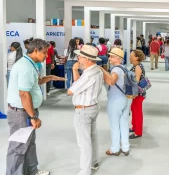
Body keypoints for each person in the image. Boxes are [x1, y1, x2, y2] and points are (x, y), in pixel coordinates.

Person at [7, 39, 65, 175]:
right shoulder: (25, 67)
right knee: (18, 147)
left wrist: (50, 77)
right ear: (35, 51)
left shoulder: (30, 63)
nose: (47, 56)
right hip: (21, 113)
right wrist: (33, 116)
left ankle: (32, 171)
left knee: (29, 143)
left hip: (27, 111)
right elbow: (24, 94)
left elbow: (36, 81)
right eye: (45, 53)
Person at [67, 45, 104, 174]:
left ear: (87, 59)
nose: (78, 58)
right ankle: (94, 162)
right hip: (92, 108)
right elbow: (79, 86)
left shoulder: (88, 75)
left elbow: (71, 91)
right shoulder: (97, 70)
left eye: (80, 56)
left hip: (83, 111)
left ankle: (85, 171)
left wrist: (74, 72)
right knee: (92, 137)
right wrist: (75, 71)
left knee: (84, 142)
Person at [99, 48, 131, 156]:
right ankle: (125, 147)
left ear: (118, 58)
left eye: (111, 56)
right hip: (126, 98)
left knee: (114, 124)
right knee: (124, 123)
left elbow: (111, 82)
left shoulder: (116, 69)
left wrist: (102, 70)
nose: (109, 58)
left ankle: (115, 149)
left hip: (116, 99)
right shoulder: (124, 68)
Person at [129, 50, 147, 139]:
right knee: (134, 109)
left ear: (137, 57)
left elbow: (136, 81)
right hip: (136, 93)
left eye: (131, 55)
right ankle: (134, 126)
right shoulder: (136, 66)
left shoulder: (137, 67)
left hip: (137, 94)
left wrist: (133, 93)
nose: (129, 57)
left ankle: (138, 132)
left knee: (137, 112)